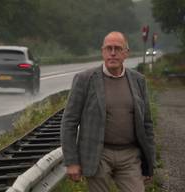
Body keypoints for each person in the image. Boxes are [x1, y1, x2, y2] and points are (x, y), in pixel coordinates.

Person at [61, 31, 155, 192]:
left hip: (130, 155)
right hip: (98, 155)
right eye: (108, 48)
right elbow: (69, 122)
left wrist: (150, 162)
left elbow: (147, 124)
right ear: (102, 51)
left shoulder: (138, 80)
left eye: (117, 49)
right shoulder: (85, 79)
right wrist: (71, 161)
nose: (112, 53)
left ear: (126, 53)